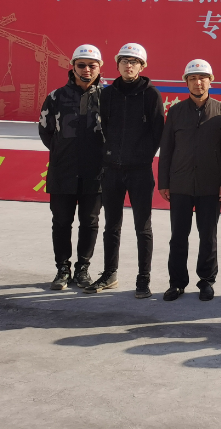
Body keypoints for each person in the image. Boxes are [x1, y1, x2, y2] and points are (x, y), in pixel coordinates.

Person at [91, 43, 165, 297]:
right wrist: (107, 156)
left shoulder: (151, 95)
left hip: (139, 172)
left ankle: (143, 279)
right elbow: (102, 128)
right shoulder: (108, 95)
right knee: (111, 226)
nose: (129, 65)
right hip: (112, 170)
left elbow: (157, 132)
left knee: (142, 227)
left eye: (134, 62)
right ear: (117, 64)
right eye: (124, 61)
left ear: (142, 66)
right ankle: (109, 274)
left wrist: (142, 157)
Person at [158, 59, 221, 302]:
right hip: (180, 183)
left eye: (202, 78)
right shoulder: (176, 111)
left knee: (208, 236)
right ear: (186, 82)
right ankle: (177, 283)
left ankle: (206, 281)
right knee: (178, 236)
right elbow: (167, 149)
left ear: (211, 81)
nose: (198, 82)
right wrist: (164, 182)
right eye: (192, 78)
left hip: (210, 184)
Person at [40, 44, 106, 291]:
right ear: (73, 67)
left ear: (100, 67)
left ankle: (83, 268)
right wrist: (63, 152)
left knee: (90, 222)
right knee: (61, 222)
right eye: (82, 65)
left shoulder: (108, 98)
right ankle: (62, 268)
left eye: (92, 65)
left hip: (95, 172)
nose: (87, 70)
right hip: (63, 170)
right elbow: (45, 131)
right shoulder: (56, 97)